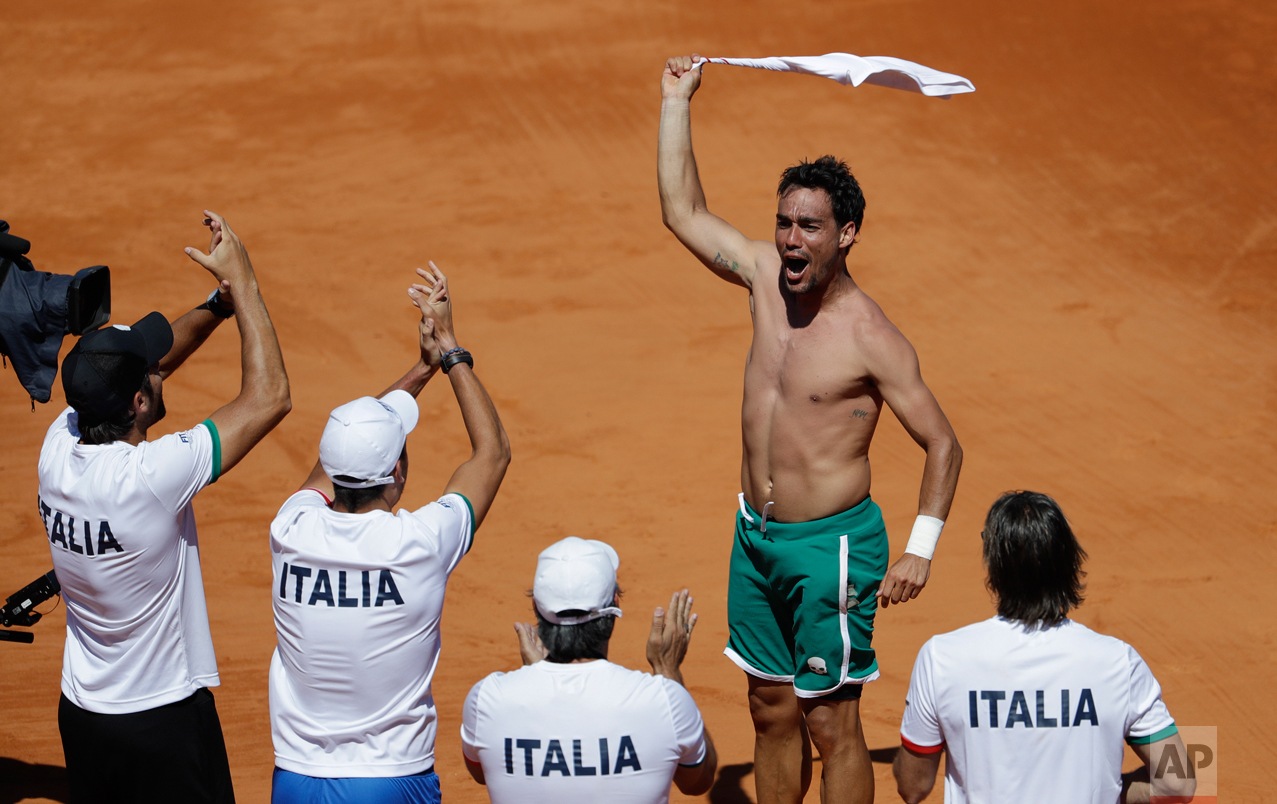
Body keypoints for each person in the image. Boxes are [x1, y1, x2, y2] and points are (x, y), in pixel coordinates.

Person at [657, 55, 963, 804]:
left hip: (829, 547)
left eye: (809, 227)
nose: (791, 241)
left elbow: (944, 444)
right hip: (755, 538)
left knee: (830, 722)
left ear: (846, 233)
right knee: (769, 710)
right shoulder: (762, 278)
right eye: (783, 223)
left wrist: (919, 551)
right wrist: (675, 102)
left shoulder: (870, 338)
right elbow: (682, 212)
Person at [38, 211, 291, 804]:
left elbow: (141, 371)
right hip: (161, 725)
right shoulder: (150, 477)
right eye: (150, 372)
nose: (160, 368)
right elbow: (270, 397)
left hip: (83, 715)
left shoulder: (60, 444)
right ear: (137, 402)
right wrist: (247, 283)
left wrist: (217, 306)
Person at [268, 263, 511, 804]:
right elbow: (492, 453)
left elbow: (338, 455)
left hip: (296, 783)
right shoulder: (420, 544)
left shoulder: (291, 528)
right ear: (398, 472)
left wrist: (420, 371)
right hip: (391, 782)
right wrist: (449, 350)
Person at [893, 491, 1195, 804]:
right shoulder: (1120, 661)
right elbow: (1180, 784)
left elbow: (913, 787)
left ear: (994, 566)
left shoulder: (942, 656)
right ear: (1068, 563)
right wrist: (1113, 791)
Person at [459, 537, 718, 804]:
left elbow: (482, 771)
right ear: (615, 603)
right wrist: (668, 671)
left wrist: (534, 676)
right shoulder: (663, 700)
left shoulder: (488, 700)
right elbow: (698, 781)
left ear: (536, 606)